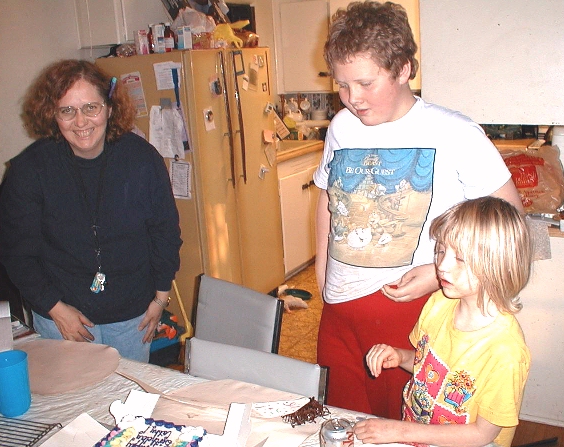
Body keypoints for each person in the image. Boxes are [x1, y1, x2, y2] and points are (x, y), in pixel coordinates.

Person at [313, 1, 525, 418]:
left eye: (365, 83)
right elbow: (328, 198)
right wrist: (322, 275)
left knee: (405, 430)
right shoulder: (340, 127)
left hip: (414, 318)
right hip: (339, 317)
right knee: (342, 424)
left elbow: (510, 225)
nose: (351, 98)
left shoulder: (455, 133)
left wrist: (436, 273)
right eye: (341, 85)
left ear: (404, 69)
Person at [0, 59, 182, 362]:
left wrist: (160, 298)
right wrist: (55, 309)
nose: (81, 122)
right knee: (75, 403)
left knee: (128, 402)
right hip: (62, 316)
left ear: (109, 108)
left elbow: (165, 232)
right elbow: (17, 253)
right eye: (67, 110)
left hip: (133, 316)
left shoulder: (142, 160)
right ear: (52, 114)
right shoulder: (29, 170)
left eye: (91, 108)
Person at [355, 196, 533, 447]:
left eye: (460, 258)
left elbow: (482, 434)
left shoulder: (506, 351)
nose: (442, 266)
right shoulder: (439, 303)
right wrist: (399, 356)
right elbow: (428, 368)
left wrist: (400, 431)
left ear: (499, 264)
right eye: (440, 251)